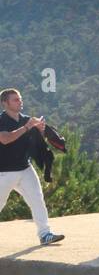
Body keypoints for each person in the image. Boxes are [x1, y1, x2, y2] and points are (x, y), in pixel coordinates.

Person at [0, 88, 64, 245]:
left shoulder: (26, 119)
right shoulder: (1, 120)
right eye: (15, 99)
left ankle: (45, 234)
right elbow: (5, 139)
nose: (20, 101)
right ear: (4, 103)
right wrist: (28, 127)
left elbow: (34, 142)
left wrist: (40, 131)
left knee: (37, 200)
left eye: (20, 98)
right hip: (4, 172)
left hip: (25, 168)